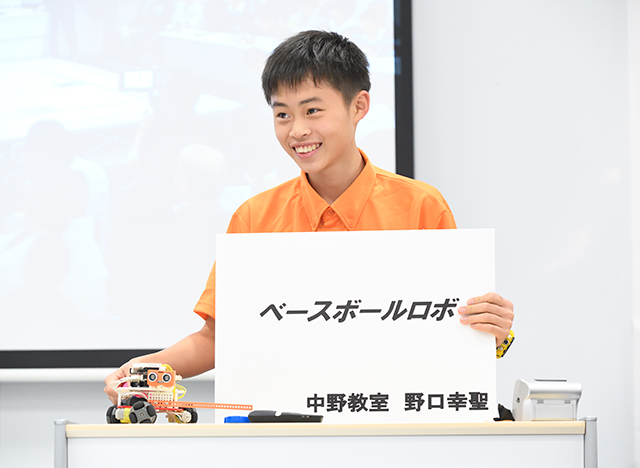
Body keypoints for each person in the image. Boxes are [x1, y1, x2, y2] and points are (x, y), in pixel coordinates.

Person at [105, 30, 514, 403]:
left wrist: (493, 330)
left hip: (390, 424)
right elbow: (220, 338)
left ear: (359, 106)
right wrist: (139, 371)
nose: (297, 130)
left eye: (312, 110)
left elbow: (451, 330)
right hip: (287, 432)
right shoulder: (254, 218)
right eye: (282, 114)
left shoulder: (421, 206)